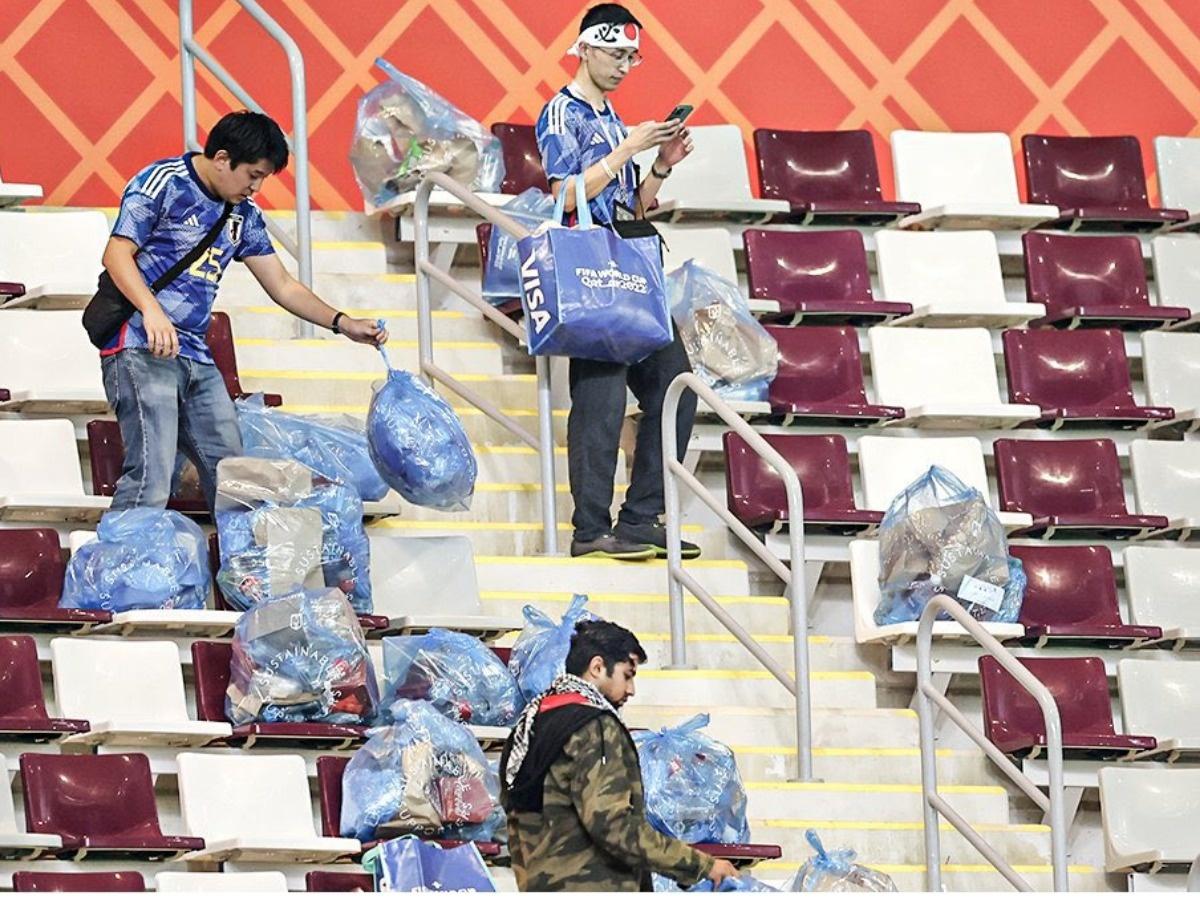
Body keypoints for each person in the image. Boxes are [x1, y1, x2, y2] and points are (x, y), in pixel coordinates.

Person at [97, 111, 388, 513]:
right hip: (139, 345)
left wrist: (344, 324)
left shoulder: (243, 215)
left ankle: (244, 574)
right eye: (252, 174)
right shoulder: (161, 183)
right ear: (221, 158)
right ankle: (121, 571)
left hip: (195, 354)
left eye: (263, 178)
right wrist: (152, 310)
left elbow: (282, 285)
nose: (256, 187)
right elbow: (116, 254)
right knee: (151, 477)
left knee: (235, 480)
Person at [536, 3, 701, 561]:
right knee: (600, 402)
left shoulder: (611, 118)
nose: (626, 65)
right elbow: (563, 197)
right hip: (590, 270)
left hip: (627, 264)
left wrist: (660, 165)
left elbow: (628, 206)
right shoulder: (561, 114)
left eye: (633, 56)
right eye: (616, 53)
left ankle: (640, 517)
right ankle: (589, 529)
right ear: (584, 48)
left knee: (676, 386)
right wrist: (629, 148)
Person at [499, 619, 739, 891]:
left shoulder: (531, 722)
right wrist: (703, 866)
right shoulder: (594, 727)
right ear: (597, 667)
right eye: (627, 675)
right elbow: (614, 826)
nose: (631, 690)